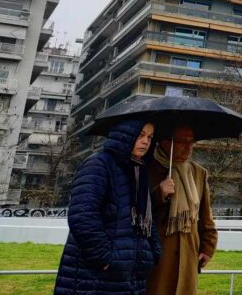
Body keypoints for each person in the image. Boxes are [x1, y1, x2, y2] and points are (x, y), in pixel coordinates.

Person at [54, 119, 161, 295]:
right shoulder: (99, 164)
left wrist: (153, 251)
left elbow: (147, 218)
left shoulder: (139, 171)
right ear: (124, 136)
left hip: (132, 276)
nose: (146, 142)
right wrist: (105, 259)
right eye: (140, 135)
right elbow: (82, 216)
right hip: (95, 276)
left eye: (150, 137)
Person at [146, 125, 218, 295]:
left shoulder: (198, 173)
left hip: (189, 256)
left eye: (191, 142)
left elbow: (205, 216)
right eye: (182, 142)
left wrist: (208, 248)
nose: (189, 147)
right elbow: (136, 211)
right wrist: (158, 194)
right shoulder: (147, 169)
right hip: (158, 257)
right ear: (164, 142)